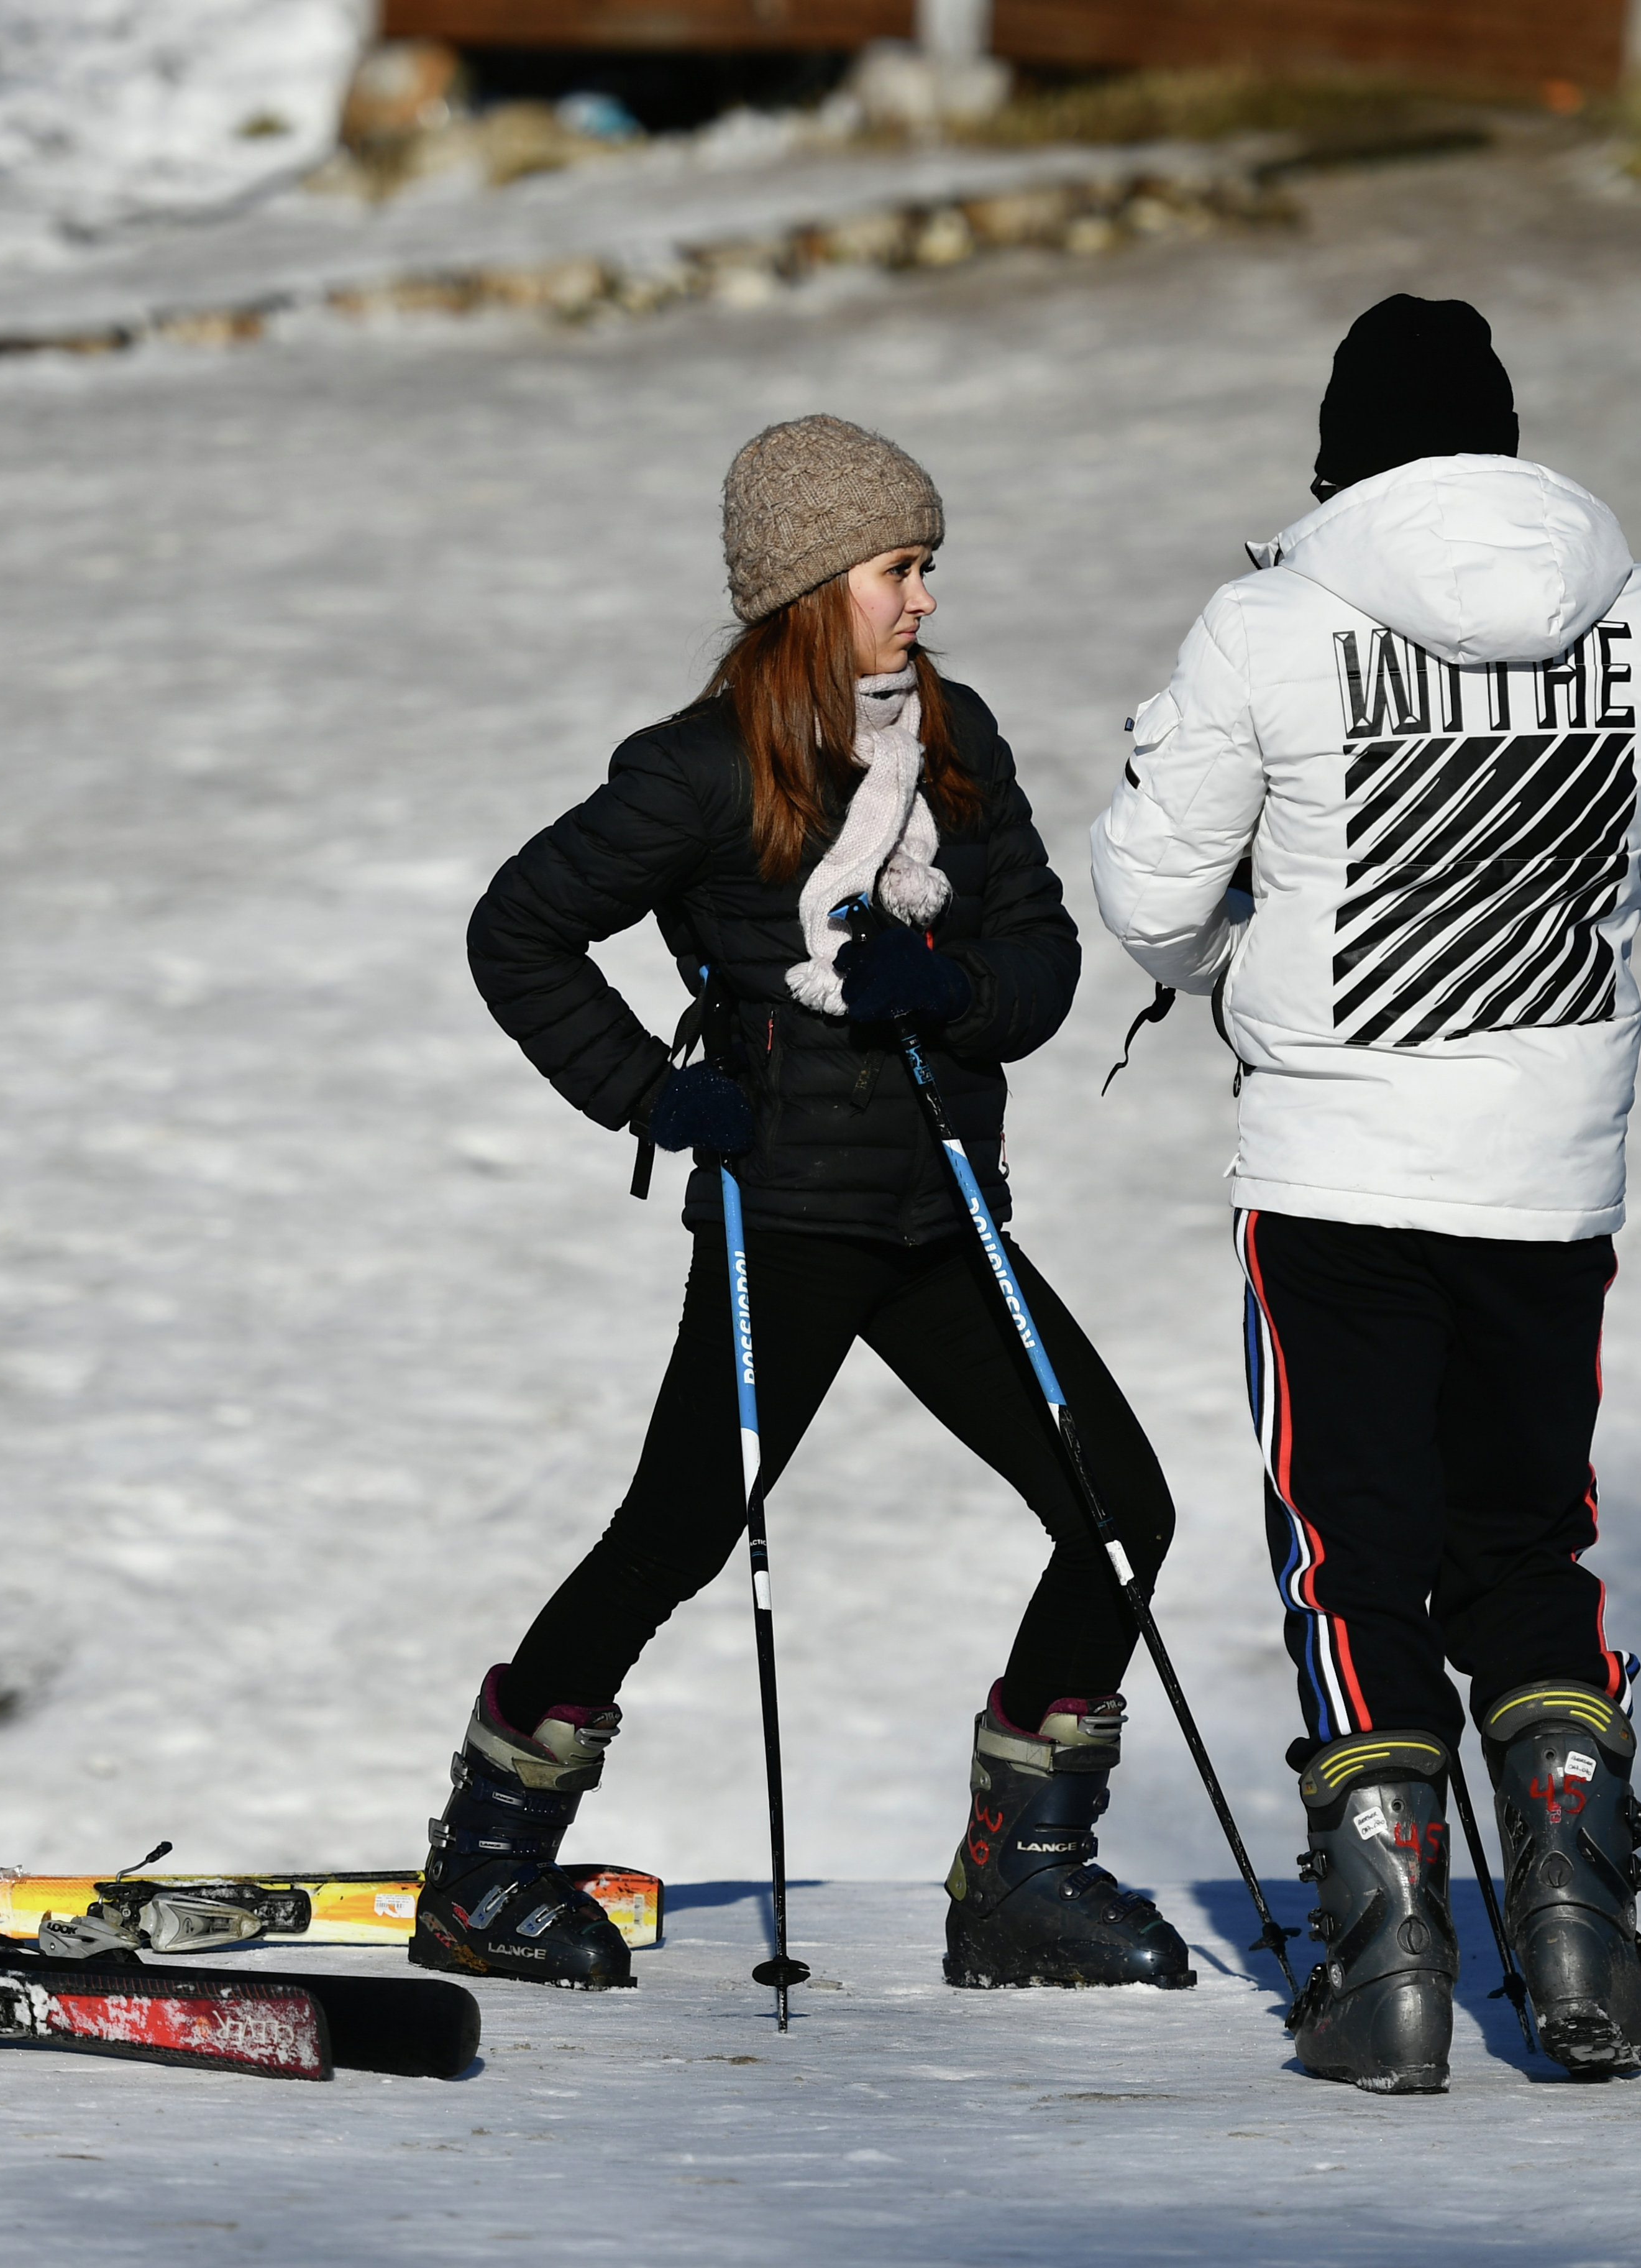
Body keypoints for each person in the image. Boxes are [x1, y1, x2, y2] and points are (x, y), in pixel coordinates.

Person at [424, 414, 1191, 1998]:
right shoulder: (704, 770)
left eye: (926, 569)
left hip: (939, 1221)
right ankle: (486, 1866)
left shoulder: (955, 739)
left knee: (1121, 1512)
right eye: (898, 570)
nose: (922, 601)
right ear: (810, 583)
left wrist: (953, 981)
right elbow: (521, 932)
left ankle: (1021, 1875)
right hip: (787, 1226)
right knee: (678, 1533)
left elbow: (1043, 964)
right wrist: (653, 1090)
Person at [1087, 298, 1641, 2092]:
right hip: (1546, 1173)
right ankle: (1578, 1932)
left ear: (1335, 456)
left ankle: (1384, 1976)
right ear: (1504, 442)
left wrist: (1239, 942)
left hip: (1334, 1174)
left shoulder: (1267, 623)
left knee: (1348, 1546)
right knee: (1524, 1543)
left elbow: (1145, 898)